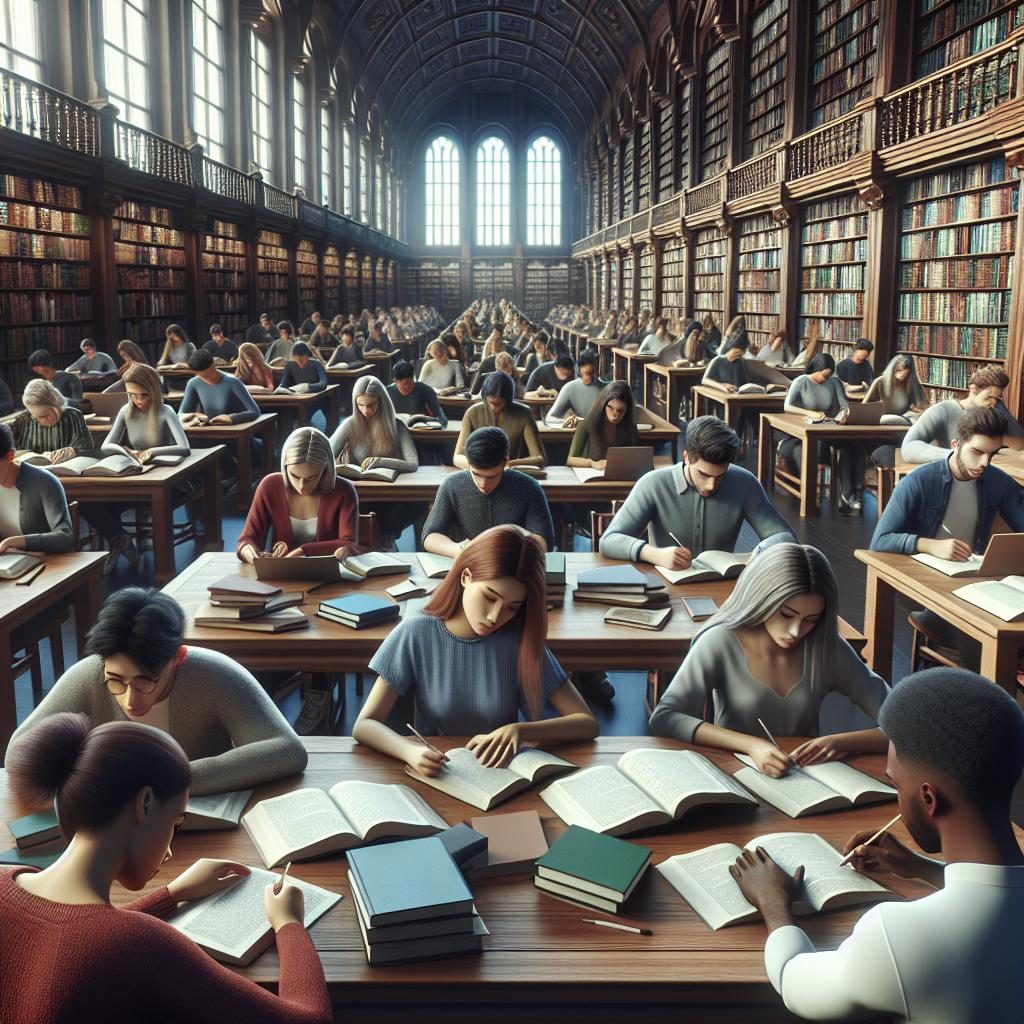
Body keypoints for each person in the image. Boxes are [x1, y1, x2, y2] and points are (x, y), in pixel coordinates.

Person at [731, 667, 1024, 1023]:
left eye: (895, 784)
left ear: (929, 799)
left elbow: (794, 980)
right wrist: (922, 867)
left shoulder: (901, 936)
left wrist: (773, 902)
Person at [0, 712, 331, 1024]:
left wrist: (172, 894)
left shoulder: (4, 878)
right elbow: (310, 1020)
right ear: (145, 804)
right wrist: (289, 924)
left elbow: (65, 930)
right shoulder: (141, 944)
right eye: (175, 822)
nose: (170, 850)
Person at [6, 587, 308, 792]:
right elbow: (18, 754)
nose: (130, 699)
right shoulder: (89, 674)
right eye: (116, 680)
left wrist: (169, 778)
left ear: (178, 657)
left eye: (145, 680)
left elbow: (287, 751)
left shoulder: (214, 673)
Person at [353, 525, 598, 772]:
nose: (495, 617)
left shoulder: (518, 639)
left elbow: (587, 723)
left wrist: (520, 731)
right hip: (440, 772)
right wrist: (409, 751)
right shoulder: (415, 632)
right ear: (466, 577)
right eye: (490, 597)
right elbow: (364, 725)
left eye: (512, 607)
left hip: (500, 774)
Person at [650, 541, 888, 771]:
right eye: (787, 614)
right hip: (733, 772)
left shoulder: (826, 648)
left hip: (806, 776)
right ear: (762, 599)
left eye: (811, 620)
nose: (796, 631)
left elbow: (902, 722)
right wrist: (751, 746)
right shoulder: (720, 641)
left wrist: (839, 743)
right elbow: (665, 717)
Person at [873, 406, 1024, 669]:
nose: (985, 463)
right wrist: (928, 545)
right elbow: (880, 540)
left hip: (977, 581)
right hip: (927, 587)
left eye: (992, 454)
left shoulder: (998, 481)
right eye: (977, 452)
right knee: (981, 639)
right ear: (956, 444)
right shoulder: (918, 481)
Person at [600, 416, 792, 568]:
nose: (711, 485)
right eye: (703, 474)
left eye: (721, 476)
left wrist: (760, 552)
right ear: (687, 457)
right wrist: (654, 554)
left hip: (723, 589)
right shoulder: (653, 484)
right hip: (665, 590)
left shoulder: (745, 482)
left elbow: (785, 537)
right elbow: (608, 541)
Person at [422, 427, 555, 557]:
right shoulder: (452, 484)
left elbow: (544, 542)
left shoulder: (529, 487)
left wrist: (510, 547)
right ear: (468, 462)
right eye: (476, 474)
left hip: (514, 563)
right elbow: (430, 536)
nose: (484, 484)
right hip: (467, 564)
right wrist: (457, 550)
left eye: (492, 476)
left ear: (505, 462)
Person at [238, 426, 359, 565]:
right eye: (294, 476)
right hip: (279, 574)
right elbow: (247, 539)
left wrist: (304, 550)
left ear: (326, 469)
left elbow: (348, 543)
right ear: (284, 466)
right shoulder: (270, 486)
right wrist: (251, 554)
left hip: (326, 574)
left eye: (311, 478)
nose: (302, 486)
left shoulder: (344, 490)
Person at [330, 376, 420, 547]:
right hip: (357, 491)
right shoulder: (349, 424)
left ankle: (387, 536)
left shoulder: (396, 426)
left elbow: (413, 463)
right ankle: (379, 539)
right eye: (360, 405)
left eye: (371, 405)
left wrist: (381, 462)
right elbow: (326, 454)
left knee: (417, 504)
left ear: (381, 403)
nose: (365, 410)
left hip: (389, 494)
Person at [782, 352, 867, 514]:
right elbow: (787, 406)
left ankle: (849, 494)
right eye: (823, 375)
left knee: (854, 446)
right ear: (815, 369)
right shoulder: (801, 382)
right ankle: (824, 495)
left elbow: (845, 406)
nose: (825, 379)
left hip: (830, 427)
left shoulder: (834, 382)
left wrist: (843, 414)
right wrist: (809, 413)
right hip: (807, 428)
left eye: (828, 376)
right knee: (815, 449)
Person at [901, 365, 1024, 464]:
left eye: (997, 398)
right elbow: (909, 448)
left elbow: (1020, 444)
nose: (993, 402)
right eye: (989, 397)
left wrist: (1001, 406)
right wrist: (957, 455)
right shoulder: (943, 410)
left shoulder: (993, 412)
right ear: (973, 389)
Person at [0, 423, 73, 556]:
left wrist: (14, 542)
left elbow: (65, 537)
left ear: (10, 456)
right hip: (7, 561)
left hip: (48, 565)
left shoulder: (44, 482)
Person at [454, 372, 545, 470]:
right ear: (484, 398)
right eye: (491, 403)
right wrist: (477, 466)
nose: (494, 407)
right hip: (477, 471)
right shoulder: (472, 413)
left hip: (510, 473)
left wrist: (509, 464)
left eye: (499, 403)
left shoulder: (524, 414)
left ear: (509, 400)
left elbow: (539, 459)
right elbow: (457, 457)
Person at [101, 363, 190, 463]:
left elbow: (185, 448)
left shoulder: (166, 412)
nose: (139, 400)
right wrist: (129, 452)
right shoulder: (125, 411)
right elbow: (105, 447)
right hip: (139, 465)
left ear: (154, 392)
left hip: (165, 466)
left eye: (144, 395)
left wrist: (150, 452)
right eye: (132, 395)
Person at [865, 354, 930, 468]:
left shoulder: (911, 385)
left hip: (900, 429)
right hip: (878, 428)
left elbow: (925, 407)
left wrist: (919, 414)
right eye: (899, 369)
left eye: (905, 370)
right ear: (893, 369)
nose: (902, 373)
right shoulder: (880, 382)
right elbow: (863, 407)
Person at [11, 378, 92, 463]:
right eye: (35, 417)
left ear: (56, 405)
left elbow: (88, 450)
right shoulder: (22, 420)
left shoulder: (73, 416)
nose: (41, 422)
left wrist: (73, 451)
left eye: (44, 415)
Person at [567, 380, 639, 469]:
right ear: (603, 404)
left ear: (627, 410)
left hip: (620, 477)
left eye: (620, 410)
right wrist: (591, 463)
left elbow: (636, 458)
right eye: (610, 408)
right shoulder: (588, 423)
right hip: (591, 477)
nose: (614, 415)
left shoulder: (630, 427)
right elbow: (570, 459)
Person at [179, 349, 260, 426]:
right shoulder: (193, 383)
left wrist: (231, 418)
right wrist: (195, 416)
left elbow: (255, 411)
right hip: (207, 432)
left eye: (210, 373)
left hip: (233, 433)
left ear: (213, 365)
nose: (209, 378)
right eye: (204, 377)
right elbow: (181, 414)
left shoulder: (233, 382)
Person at [547, 348, 604, 425]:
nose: (590, 378)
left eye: (593, 374)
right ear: (579, 370)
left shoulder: (606, 389)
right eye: (587, 374)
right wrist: (569, 420)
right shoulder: (570, 388)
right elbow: (550, 418)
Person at [387, 359, 448, 425]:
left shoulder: (426, 390)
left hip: (420, 431)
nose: (407, 387)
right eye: (404, 385)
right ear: (395, 381)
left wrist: (435, 423)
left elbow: (442, 418)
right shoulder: (388, 392)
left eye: (410, 384)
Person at [701, 317, 750, 392]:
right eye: (735, 350)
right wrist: (722, 386)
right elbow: (705, 380)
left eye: (740, 352)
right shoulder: (718, 360)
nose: (737, 354)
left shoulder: (742, 362)